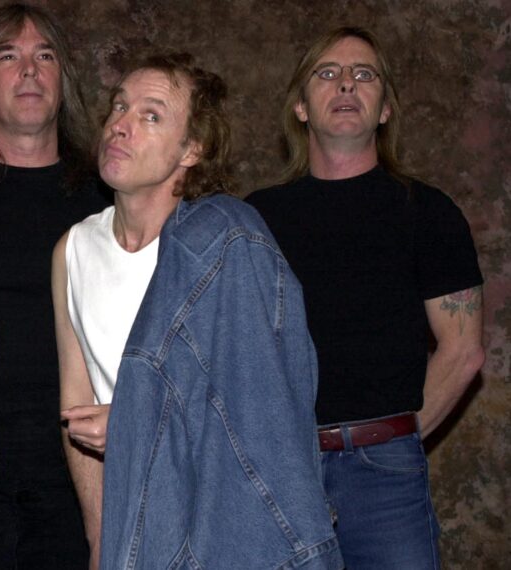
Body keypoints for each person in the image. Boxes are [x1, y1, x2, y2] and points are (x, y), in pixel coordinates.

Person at [54, 53, 343, 569]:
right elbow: (77, 408)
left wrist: (133, 423)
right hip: (137, 524)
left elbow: (263, 407)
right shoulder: (73, 249)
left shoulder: (226, 241)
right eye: (119, 107)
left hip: (223, 522)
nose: (121, 124)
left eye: (151, 115)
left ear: (192, 148)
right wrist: (100, 538)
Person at [247, 26, 485, 569]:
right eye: (327, 74)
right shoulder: (255, 220)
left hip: (387, 480)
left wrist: (393, 444)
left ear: (384, 110)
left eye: (364, 75)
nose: (347, 85)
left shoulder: (428, 212)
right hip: (282, 474)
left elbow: (464, 350)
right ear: (301, 108)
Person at [0, 4, 108, 567]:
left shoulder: (108, 196)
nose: (29, 70)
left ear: (63, 80)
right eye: (8, 56)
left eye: (45, 55)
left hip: (83, 467)